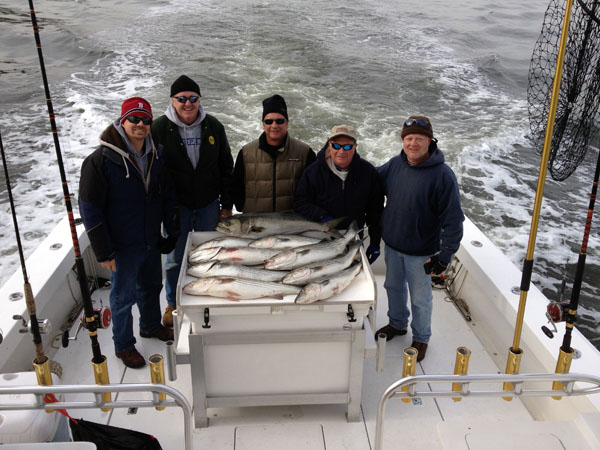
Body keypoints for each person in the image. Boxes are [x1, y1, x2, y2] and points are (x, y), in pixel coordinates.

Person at [79, 97, 178, 369]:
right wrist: (103, 251)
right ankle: (123, 345)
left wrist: (171, 230)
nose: (140, 125)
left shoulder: (157, 154)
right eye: (134, 119)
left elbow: (166, 195)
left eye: (146, 120)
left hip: (150, 239)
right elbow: (89, 210)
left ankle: (150, 325)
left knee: (152, 286)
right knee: (123, 298)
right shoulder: (99, 161)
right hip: (121, 246)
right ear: (122, 121)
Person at [376, 116, 464, 362]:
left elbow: (454, 221)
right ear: (403, 141)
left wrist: (444, 256)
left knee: (420, 298)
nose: (413, 144)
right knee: (393, 287)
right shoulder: (395, 164)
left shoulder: (443, 176)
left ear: (430, 141)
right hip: (393, 245)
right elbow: (371, 179)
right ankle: (397, 323)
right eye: (409, 138)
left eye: (419, 139)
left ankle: (421, 338)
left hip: (421, 252)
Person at [152, 75, 234, 327]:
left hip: (209, 204)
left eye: (193, 98)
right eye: (182, 98)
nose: (188, 103)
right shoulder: (158, 128)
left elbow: (226, 166)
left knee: (211, 254)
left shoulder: (214, 126)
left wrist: (226, 205)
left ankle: (207, 298)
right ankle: (173, 303)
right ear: (172, 100)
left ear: (199, 100)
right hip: (176, 207)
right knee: (175, 258)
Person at [293, 125, 384, 263]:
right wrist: (322, 216)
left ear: (355, 147)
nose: (341, 151)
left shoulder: (368, 172)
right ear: (329, 145)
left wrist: (375, 243)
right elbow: (299, 202)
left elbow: (375, 211)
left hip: (353, 238)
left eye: (347, 147)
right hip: (320, 237)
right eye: (336, 146)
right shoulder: (313, 172)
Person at [232, 94, 316, 212]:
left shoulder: (305, 152)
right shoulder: (246, 153)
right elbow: (236, 186)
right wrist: (242, 207)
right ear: (263, 124)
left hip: (292, 221)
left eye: (279, 121)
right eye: (269, 121)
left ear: (287, 123)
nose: (274, 125)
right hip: (255, 220)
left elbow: (314, 188)